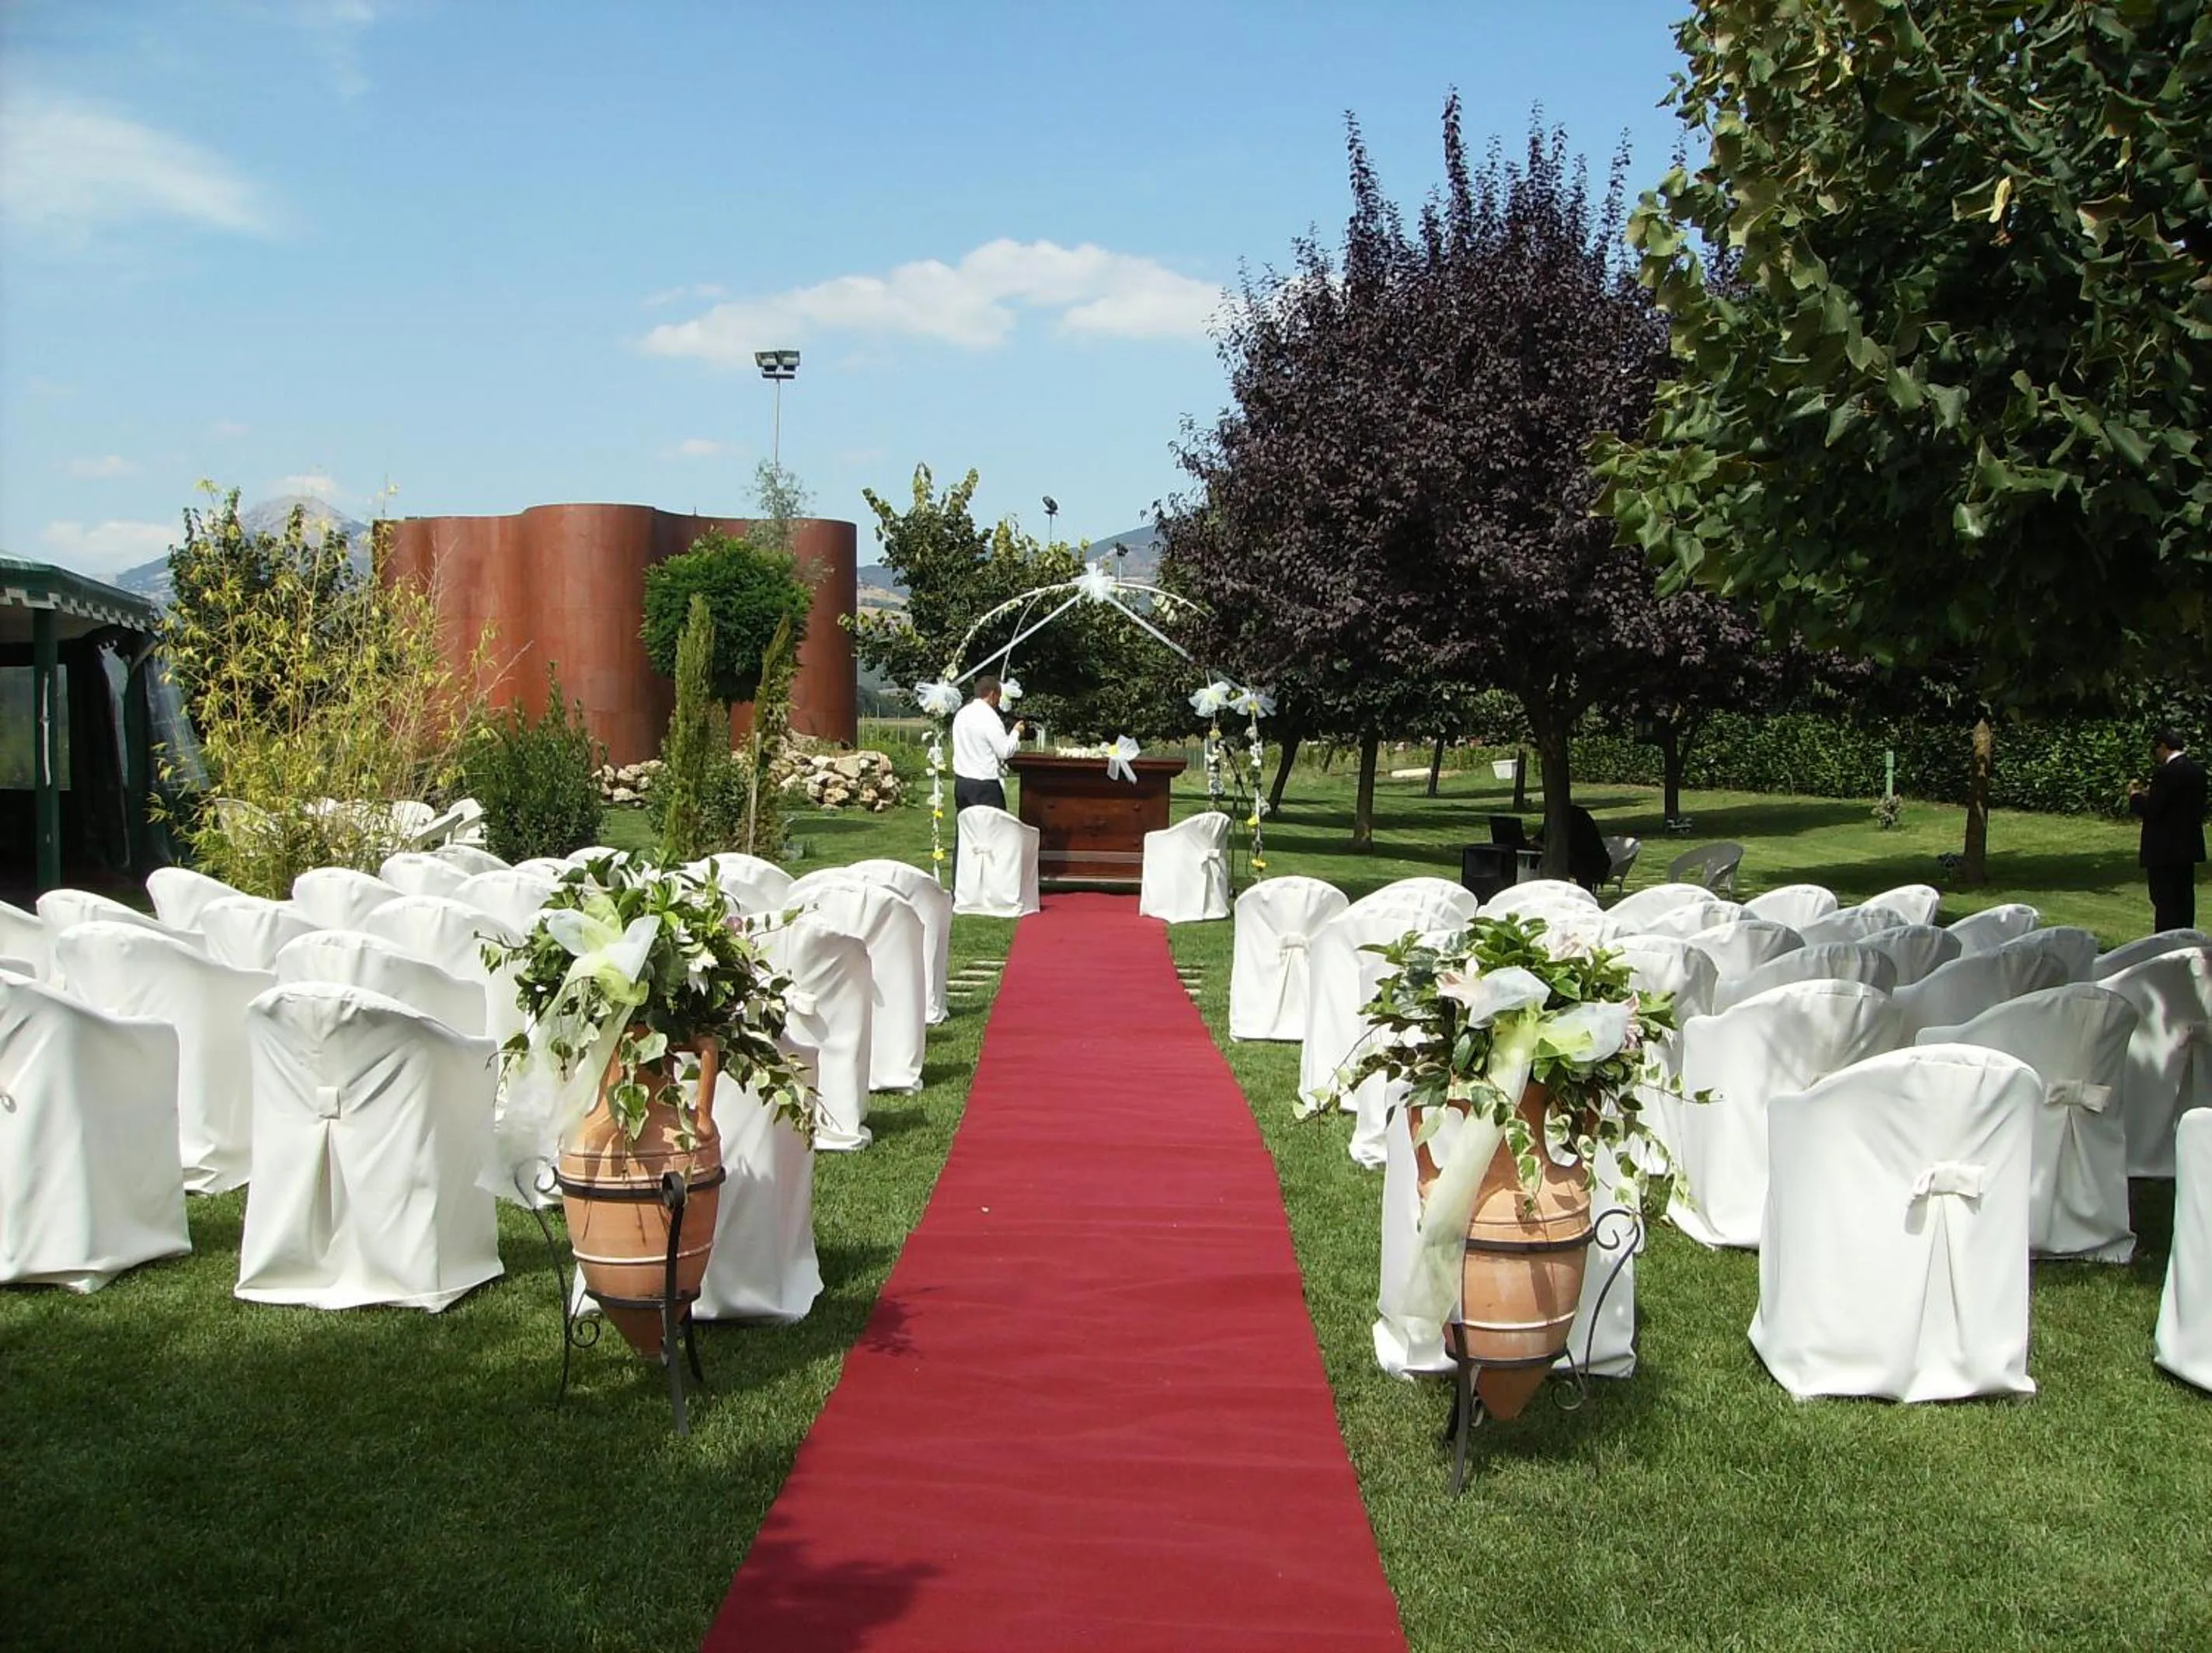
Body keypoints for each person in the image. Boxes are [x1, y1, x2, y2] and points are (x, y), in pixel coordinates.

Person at [2129, 727, 2207, 932]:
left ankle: (2164, 942)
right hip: (2187, 845)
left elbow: (2153, 809)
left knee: (2164, 901)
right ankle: (2185, 936)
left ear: (2164, 747)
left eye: (2156, 749)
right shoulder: (2197, 771)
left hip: (2163, 848)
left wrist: (2135, 796)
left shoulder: (2166, 774)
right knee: (2184, 899)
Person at [951, 676, 1024, 813]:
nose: (998, 702)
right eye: (999, 697)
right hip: (984, 785)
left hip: (962, 784)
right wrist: (1016, 733)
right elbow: (1004, 751)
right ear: (992, 694)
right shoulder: (989, 717)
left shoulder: (962, 714)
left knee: (967, 829)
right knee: (992, 830)